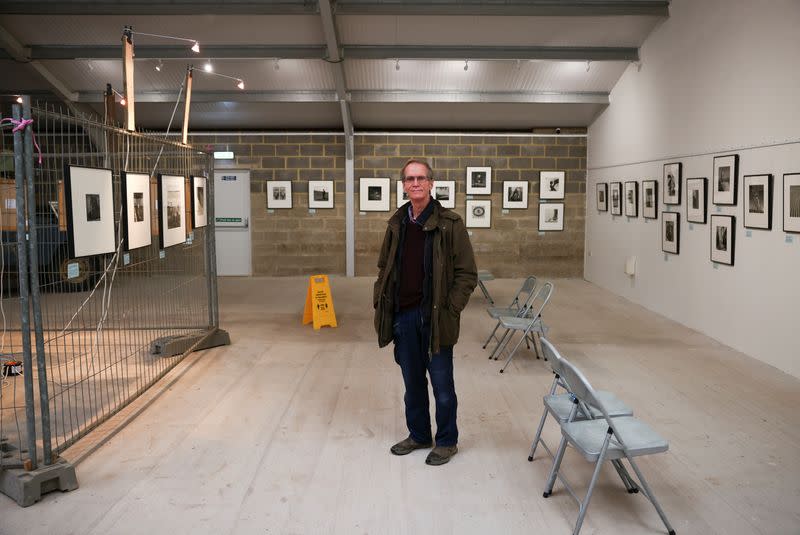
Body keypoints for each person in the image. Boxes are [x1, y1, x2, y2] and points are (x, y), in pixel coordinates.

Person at [373, 158, 477, 466]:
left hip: (435, 318)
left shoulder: (451, 224)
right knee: (412, 384)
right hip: (404, 318)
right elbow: (385, 267)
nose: (415, 183)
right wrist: (382, 299)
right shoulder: (397, 224)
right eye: (409, 179)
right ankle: (419, 435)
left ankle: (446, 441)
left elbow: (467, 274)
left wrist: (451, 308)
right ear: (403, 185)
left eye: (420, 178)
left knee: (443, 386)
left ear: (431, 183)